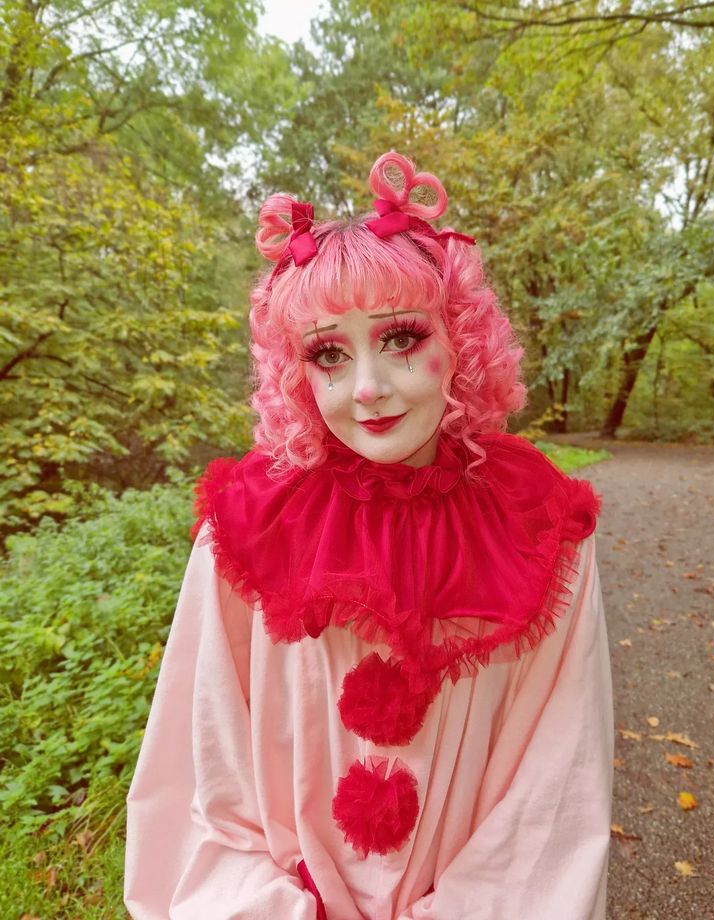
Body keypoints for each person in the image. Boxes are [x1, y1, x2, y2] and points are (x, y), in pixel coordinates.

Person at [124, 151, 613, 920]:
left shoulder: (540, 528)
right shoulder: (248, 525)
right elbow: (204, 766)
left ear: (459, 341)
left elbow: (552, 785)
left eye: (400, 339)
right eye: (329, 353)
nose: (369, 389)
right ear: (297, 372)